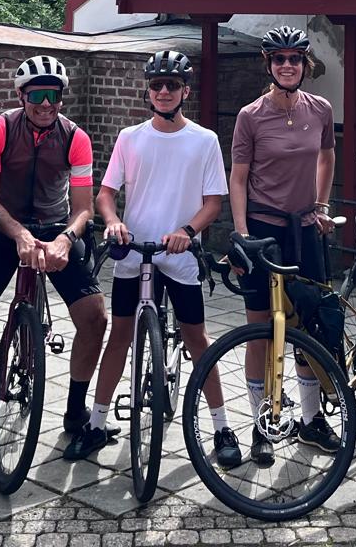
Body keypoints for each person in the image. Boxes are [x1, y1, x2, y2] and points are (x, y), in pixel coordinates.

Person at [67, 50, 242, 468]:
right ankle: (96, 422)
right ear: (148, 90)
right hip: (134, 251)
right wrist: (112, 222)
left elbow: (213, 202)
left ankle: (220, 426)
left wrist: (188, 231)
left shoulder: (203, 140)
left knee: (198, 338)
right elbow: (106, 193)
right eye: (157, 85)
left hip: (178, 253)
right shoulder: (131, 137)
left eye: (172, 85)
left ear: (184, 91)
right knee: (120, 336)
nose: (163, 92)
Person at [0, 55, 108, 458]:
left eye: (55, 96)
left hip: (54, 228)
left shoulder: (75, 136)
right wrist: (19, 234)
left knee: (95, 317)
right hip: (3, 225)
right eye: (37, 96)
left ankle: (76, 412)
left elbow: (84, 207)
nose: (46, 104)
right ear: (21, 95)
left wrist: (65, 240)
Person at [228, 24, 341, 464]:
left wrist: (321, 204)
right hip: (264, 230)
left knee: (306, 327)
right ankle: (261, 424)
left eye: (295, 58)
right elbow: (238, 178)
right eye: (280, 59)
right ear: (269, 65)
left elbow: (328, 155)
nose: (288, 65)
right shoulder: (250, 115)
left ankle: (312, 421)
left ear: (304, 64)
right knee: (261, 330)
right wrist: (241, 233)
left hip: (305, 230)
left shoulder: (321, 109)